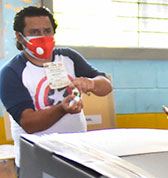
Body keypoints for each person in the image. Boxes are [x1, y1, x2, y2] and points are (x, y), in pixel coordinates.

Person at [0, 6, 113, 169]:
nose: (43, 37)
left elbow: (106, 86)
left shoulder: (68, 57)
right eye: (34, 32)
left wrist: (92, 83)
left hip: (76, 157)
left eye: (47, 31)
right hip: (36, 163)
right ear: (19, 36)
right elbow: (29, 123)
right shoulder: (11, 72)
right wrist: (62, 109)